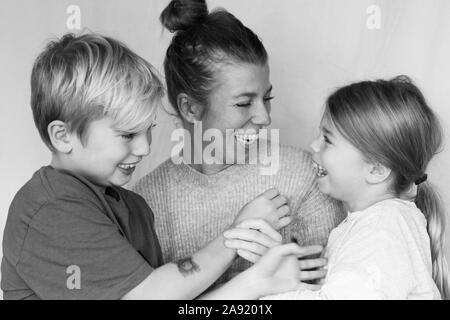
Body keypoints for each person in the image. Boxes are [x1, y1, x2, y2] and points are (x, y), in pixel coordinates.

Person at [1, 32, 321, 300]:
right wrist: (235, 237)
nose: (144, 148)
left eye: (148, 129)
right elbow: (151, 295)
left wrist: (256, 284)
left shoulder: (132, 206)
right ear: (62, 135)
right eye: (127, 134)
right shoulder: (52, 209)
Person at [133, 0, 345, 286]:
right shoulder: (146, 203)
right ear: (190, 108)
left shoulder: (304, 175)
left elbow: (338, 288)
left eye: (266, 99)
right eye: (244, 102)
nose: (264, 117)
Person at [259, 76, 450, 299]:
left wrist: (267, 285)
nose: (313, 145)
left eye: (327, 140)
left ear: (376, 170)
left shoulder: (381, 230)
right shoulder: (381, 222)